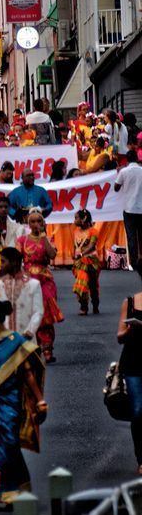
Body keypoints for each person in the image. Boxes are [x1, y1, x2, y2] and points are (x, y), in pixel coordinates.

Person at [0, 299, 46, 509]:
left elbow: (27, 373)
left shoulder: (14, 340)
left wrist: (39, 399)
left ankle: (11, 491)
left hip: (10, 400)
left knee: (8, 444)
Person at [17, 210, 63, 363]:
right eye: (33, 221)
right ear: (28, 224)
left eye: (39, 221)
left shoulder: (47, 239)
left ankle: (48, 348)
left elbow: (52, 255)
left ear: (43, 224)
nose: (36, 224)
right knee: (31, 312)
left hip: (45, 280)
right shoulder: (22, 240)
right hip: (28, 279)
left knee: (45, 314)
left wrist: (44, 237)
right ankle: (35, 347)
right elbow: (17, 261)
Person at [117, 263, 142, 475]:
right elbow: (119, 336)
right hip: (133, 362)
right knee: (138, 410)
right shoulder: (131, 302)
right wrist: (131, 330)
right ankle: (141, 457)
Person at [72, 208, 102, 315]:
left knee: (93, 285)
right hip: (80, 262)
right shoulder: (75, 231)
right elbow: (74, 245)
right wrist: (74, 255)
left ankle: (95, 304)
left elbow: (92, 245)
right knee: (81, 282)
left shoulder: (93, 231)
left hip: (91, 262)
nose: (74, 221)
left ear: (84, 219)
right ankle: (83, 306)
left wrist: (82, 254)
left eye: (76, 218)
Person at [117, 149, 142, 269]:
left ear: (127, 159)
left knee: (131, 236)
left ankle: (134, 263)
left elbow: (116, 187)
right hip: (141, 207)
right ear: (137, 158)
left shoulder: (123, 172)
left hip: (129, 208)